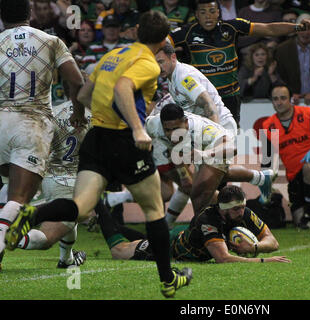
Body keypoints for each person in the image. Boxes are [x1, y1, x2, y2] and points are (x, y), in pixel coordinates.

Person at [6, 10, 192, 299]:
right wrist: (138, 130)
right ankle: (168, 280)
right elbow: (123, 87)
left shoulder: (113, 54)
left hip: (96, 139)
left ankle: (31, 214)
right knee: (155, 210)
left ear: (137, 31)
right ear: (164, 39)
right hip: (125, 141)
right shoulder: (147, 63)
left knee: (80, 207)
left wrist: (86, 115)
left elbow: (82, 93)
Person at [0, 0, 85, 257]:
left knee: (8, 190)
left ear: (2, 17)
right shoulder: (51, 41)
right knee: (19, 198)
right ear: (31, 13)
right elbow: (76, 80)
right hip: (31, 123)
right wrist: (78, 113)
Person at [168, 0, 310, 125]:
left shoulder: (232, 27)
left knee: (228, 143)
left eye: (212, 11)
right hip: (201, 97)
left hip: (230, 97)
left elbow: (269, 29)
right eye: (203, 12)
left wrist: (297, 27)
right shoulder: (187, 32)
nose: (208, 16)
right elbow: (162, 43)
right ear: (196, 15)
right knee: (203, 139)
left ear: (218, 13)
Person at [0, 94, 89, 270]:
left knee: (70, 220)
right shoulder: (97, 117)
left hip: (46, 176)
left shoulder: (54, 113)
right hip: (72, 181)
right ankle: (6, 235)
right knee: (46, 238)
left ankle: (67, 259)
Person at [97, 185, 291, 263]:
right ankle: (98, 209)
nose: (241, 213)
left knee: (148, 237)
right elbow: (222, 258)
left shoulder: (244, 213)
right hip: (171, 247)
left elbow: (273, 241)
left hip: (185, 234)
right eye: (235, 209)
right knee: (119, 251)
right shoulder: (208, 220)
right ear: (223, 209)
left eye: (242, 207)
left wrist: (255, 246)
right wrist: (264, 260)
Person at [146, 104, 277, 215]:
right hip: (200, 150)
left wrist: (205, 154)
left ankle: (201, 230)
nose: (171, 134)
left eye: (175, 129)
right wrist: (183, 175)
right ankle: (260, 178)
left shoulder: (204, 130)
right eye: (167, 130)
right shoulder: (153, 125)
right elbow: (173, 148)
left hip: (216, 148)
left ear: (185, 122)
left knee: (198, 192)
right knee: (213, 178)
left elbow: (232, 148)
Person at [262, 84, 310, 229]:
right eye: (275, 99)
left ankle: (309, 214)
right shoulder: (268, 126)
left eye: (283, 98)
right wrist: (265, 185)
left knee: (309, 167)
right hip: (294, 176)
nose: (279, 102)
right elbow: (267, 160)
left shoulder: (308, 114)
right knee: (298, 221)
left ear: (291, 99)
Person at [274, 14, 310, 105]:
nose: (305, 32)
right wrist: (289, 93)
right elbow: (280, 76)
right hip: (292, 101)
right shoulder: (282, 49)